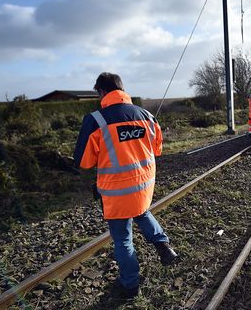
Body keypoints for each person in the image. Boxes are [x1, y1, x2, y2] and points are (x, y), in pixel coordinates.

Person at [73, 72, 178, 300]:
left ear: (101, 92)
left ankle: (130, 286)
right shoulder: (147, 116)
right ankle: (163, 245)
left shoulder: (95, 120)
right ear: (122, 89)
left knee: (122, 240)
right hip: (143, 186)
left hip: (116, 192)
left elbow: (83, 162)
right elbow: (157, 149)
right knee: (141, 211)